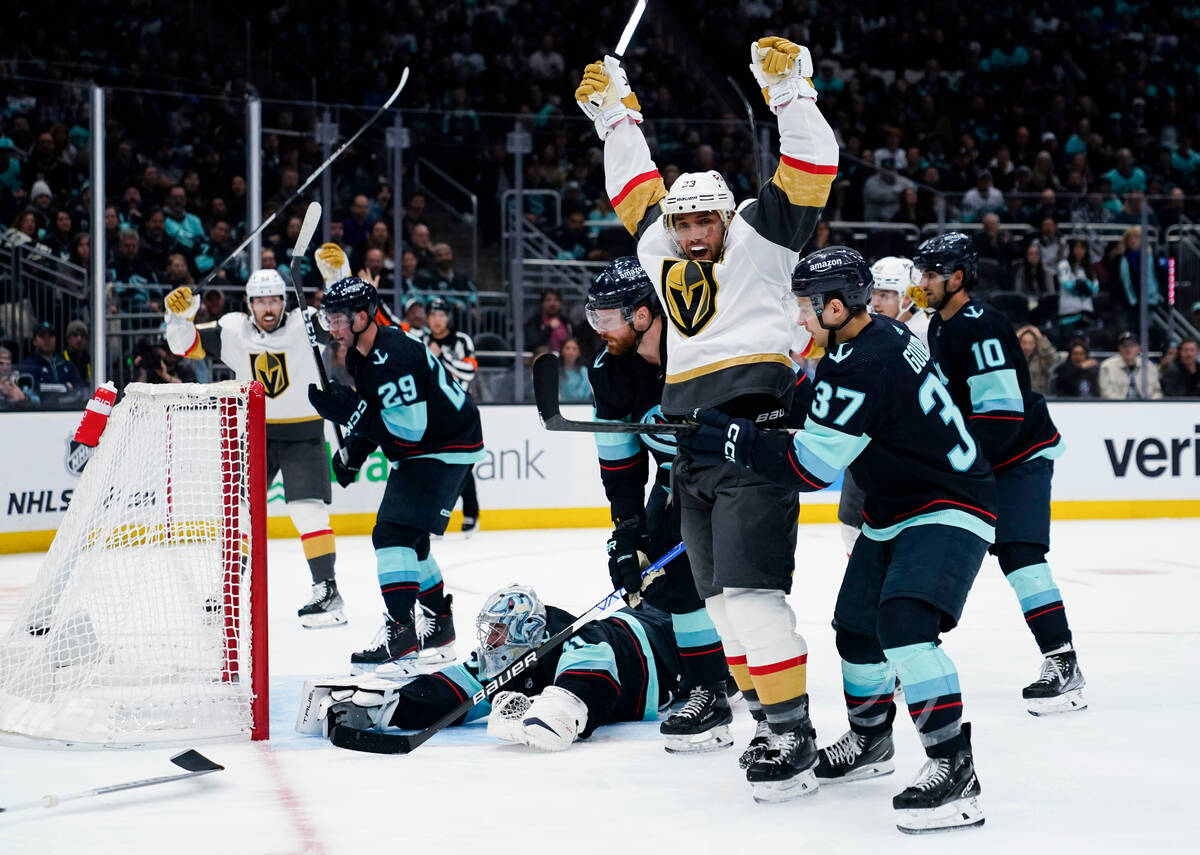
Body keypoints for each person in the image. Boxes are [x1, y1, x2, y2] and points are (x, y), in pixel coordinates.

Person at [576, 36, 837, 802]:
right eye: (681, 222)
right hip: (692, 450)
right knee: (722, 605)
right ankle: (764, 718)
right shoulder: (661, 249)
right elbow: (634, 183)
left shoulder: (762, 238)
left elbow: (811, 165)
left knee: (755, 598)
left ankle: (792, 730)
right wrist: (612, 113)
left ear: (728, 215)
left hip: (755, 439)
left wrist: (789, 94)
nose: (689, 233)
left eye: (702, 221)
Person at [684, 246, 995, 834]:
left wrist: (736, 440)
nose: (799, 318)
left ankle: (954, 766)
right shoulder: (873, 337)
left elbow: (810, 468)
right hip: (899, 502)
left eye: (805, 306)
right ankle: (872, 741)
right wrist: (774, 414)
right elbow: (849, 409)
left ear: (833, 306)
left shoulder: (859, 363)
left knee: (903, 625)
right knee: (855, 626)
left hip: (950, 501)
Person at [916, 232, 1087, 714]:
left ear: (957, 277)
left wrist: (959, 465)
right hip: (984, 458)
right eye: (922, 273)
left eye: (931, 274)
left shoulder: (980, 323)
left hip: (1019, 456)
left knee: (1020, 556)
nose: (922, 282)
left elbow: (1003, 414)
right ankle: (913, 655)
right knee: (939, 547)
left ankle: (1063, 660)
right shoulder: (941, 325)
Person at [583, 258, 734, 754]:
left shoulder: (699, 346)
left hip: (736, 477)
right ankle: (708, 684)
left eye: (608, 318)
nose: (599, 329)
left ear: (643, 315)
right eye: (595, 318)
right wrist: (626, 531)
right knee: (669, 582)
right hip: (676, 481)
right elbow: (620, 463)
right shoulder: (609, 372)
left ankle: (725, 673)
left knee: (737, 588)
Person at [307, 277, 485, 675]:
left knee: (391, 534)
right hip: (439, 443)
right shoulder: (360, 356)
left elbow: (408, 434)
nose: (331, 328)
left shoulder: (394, 355)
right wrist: (353, 451)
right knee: (411, 542)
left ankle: (401, 638)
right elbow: (381, 417)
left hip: (442, 445)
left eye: (337, 320)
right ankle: (438, 630)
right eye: (328, 319)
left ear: (362, 317)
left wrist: (352, 415)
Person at [164, 269, 347, 629]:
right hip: (254, 435)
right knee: (239, 515)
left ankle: (327, 590)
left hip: (303, 433)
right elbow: (181, 345)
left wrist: (339, 276)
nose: (268, 307)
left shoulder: (306, 323)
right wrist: (178, 316)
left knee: (307, 512)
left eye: (274, 300)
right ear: (249, 304)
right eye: (261, 301)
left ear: (285, 301)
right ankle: (229, 591)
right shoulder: (234, 330)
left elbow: (342, 325)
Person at [320, 584, 684, 753]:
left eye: (497, 630)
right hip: (641, 621)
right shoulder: (513, 653)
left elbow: (590, 686)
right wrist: (391, 706)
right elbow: (460, 687)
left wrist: (556, 709)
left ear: (524, 628)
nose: (489, 640)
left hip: (669, 642)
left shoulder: (578, 641)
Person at [836, 255, 931, 556]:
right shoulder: (869, 331)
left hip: (909, 457)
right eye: (874, 293)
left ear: (909, 297)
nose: (876, 302)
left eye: (887, 295)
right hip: (867, 449)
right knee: (852, 529)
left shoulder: (927, 333)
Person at [423, 297, 482, 533]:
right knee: (432, 464)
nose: (437, 320)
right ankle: (432, 515)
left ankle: (471, 514)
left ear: (448, 317)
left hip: (461, 412)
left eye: (441, 315)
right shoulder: (423, 340)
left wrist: (442, 357)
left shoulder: (461, 340)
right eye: (433, 315)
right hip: (432, 412)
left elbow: (469, 371)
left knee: (462, 463)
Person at [18, 322, 85, 406]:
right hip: (39, 412)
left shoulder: (66, 364)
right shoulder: (28, 365)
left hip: (68, 411)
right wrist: (65, 387)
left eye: (50, 336)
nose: (47, 340)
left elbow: (80, 389)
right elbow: (33, 389)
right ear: (35, 341)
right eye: (43, 337)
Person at [1099, 331, 1162, 400]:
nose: (1128, 349)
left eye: (1132, 345)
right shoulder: (1107, 367)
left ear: (1139, 348)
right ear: (1119, 348)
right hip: (1118, 407)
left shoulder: (1150, 366)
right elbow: (1106, 394)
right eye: (1124, 346)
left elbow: (1157, 392)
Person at [1055, 238, 1098, 339]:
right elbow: (1067, 285)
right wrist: (1081, 285)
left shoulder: (1090, 268)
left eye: (1082, 248)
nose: (1079, 251)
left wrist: (1084, 283)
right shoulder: (1064, 265)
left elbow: (1095, 289)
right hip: (1069, 313)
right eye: (1076, 248)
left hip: (1086, 313)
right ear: (1071, 250)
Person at [524, 288, 573, 354]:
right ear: (542, 303)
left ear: (561, 304)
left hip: (562, 361)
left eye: (556, 300)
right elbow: (532, 343)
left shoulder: (566, 322)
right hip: (540, 359)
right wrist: (549, 328)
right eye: (548, 300)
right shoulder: (534, 321)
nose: (552, 303)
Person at [1016, 325, 1059, 396]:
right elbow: (1006, 350)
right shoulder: (1014, 360)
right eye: (1023, 343)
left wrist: (1041, 338)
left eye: (1031, 343)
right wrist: (1015, 336)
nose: (1027, 347)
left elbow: (1052, 357)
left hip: (1037, 399)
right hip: (1019, 398)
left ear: (1036, 344)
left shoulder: (1041, 361)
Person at [558, 337, 591, 402]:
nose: (571, 352)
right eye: (567, 348)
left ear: (579, 352)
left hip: (582, 407)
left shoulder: (584, 371)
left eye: (574, 349)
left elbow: (585, 395)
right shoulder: (556, 372)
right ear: (562, 351)